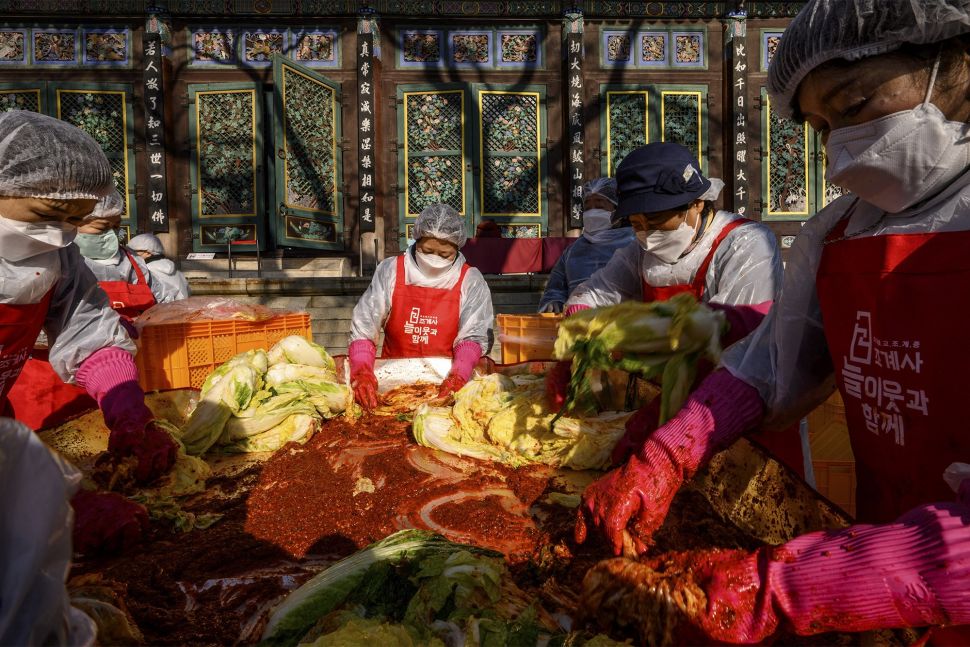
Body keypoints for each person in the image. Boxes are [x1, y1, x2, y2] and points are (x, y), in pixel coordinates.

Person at [575, 1, 970, 642]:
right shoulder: (840, 230)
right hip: (878, 571)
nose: (838, 143)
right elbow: (770, 365)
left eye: (852, 104)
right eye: (819, 126)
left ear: (954, 63)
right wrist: (669, 454)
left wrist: (786, 587)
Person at [548, 143, 797, 472]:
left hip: (742, 415)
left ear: (695, 203)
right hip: (673, 415)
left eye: (655, 219)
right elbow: (596, 292)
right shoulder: (639, 253)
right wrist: (576, 339)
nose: (646, 234)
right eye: (636, 223)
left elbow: (737, 342)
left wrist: (655, 417)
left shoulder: (746, 243)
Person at [0, 111, 173, 552]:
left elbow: (87, 326)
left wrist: (125, 406)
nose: (60, 234)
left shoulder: (58, 256)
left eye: (74, 220)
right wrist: (48, 499)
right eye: (48, 213)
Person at [348, 204, 494, 408]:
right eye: (427, 251)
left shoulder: (471, 280)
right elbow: (364, 328)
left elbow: (474, 336)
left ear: (457, 249)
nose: (435, 259)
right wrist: (362, 372)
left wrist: (459, 375)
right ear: (416, 241)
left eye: (444, 255)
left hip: (447, 379)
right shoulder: (391, 270)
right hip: (391, 380)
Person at [75, 190, 181, 319]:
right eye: (102, 228)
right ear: (74, 224)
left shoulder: (131, 260)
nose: (111, 235)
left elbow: (162, 295)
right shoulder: (63, 261)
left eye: (116, 227)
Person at [538, 177, 634, 314]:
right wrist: (553, 301)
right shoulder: (573, 250)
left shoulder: (633, 243)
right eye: (587, 207)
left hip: (624, 323)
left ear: (617, 209)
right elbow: (556, 286)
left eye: (600, 206)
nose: (592, 212)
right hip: (578, 322)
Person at [128, 232, 191, 300]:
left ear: (148, 253)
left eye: (133, 252)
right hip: (182, 309)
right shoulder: (177, 271)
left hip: (159, 309)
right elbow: (188, 292)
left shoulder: (145, 271)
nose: (130, 255)